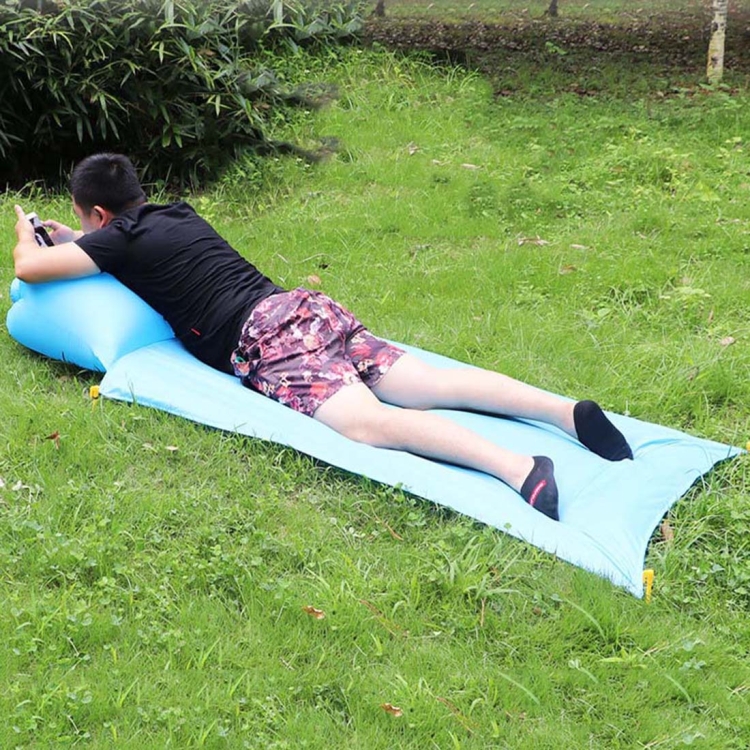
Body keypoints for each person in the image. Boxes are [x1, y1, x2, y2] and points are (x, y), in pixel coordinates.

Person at [12, 153, 633, 521]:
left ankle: (519, 467)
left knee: (367, 424)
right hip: (305, 309)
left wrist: (25, 231)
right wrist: (77, 238)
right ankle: (564, 412)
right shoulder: (175, 214)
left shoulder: (116, 241)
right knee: (429, 384)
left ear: (99, 215)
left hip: (266, 338)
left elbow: (28, 268)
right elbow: (124, 245)